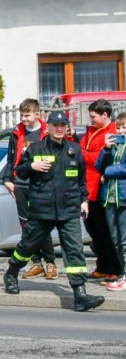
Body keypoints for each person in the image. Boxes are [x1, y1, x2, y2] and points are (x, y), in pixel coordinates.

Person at [3, 111, 103, 312]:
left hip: (69, 209)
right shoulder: (36, 148)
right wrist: (31, 166)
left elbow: (81, 181)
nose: (59, 128)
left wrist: (84, 200)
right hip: (42, 209)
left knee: (75, 250)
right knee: (28, 246)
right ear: (47, 127)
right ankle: (11, 272)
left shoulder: (74, 149)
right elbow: (19, 171)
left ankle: (80, 293)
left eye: (63, 125)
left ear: (67, 128)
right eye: (55, 125)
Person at [0, 99, 57, 279]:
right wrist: (8, 179)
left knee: (41, 225)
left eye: (27, 115)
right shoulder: (17, 133)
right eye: (22, 115)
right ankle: (36, 262)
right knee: (27, 225)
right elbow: (11, 158)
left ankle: (50, 263)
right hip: (21, 184)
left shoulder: (47, 132)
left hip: (41, 184)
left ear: (37, 115)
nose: (23, 119)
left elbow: (55, 158)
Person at [79, 99, 122, 284]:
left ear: (105, 115)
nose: (91, 120)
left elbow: (98, 158)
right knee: (94, 232)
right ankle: (102, 266)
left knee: (106, 232)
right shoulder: (90, 131)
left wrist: (83, 153)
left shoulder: (112, 131)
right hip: (86, 188)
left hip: (100, 188)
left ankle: (114, 268)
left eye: (93, 117)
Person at [94, 113, 126, 292]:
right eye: (119, 128)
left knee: (124, 240)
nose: (121, 131)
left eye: (124, 128)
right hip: (109, 197)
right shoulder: (114, 146)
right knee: (115, 240)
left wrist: (107, 172)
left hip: (123, 197)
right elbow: (99, 166)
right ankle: (122, 274)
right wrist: (105, 149)